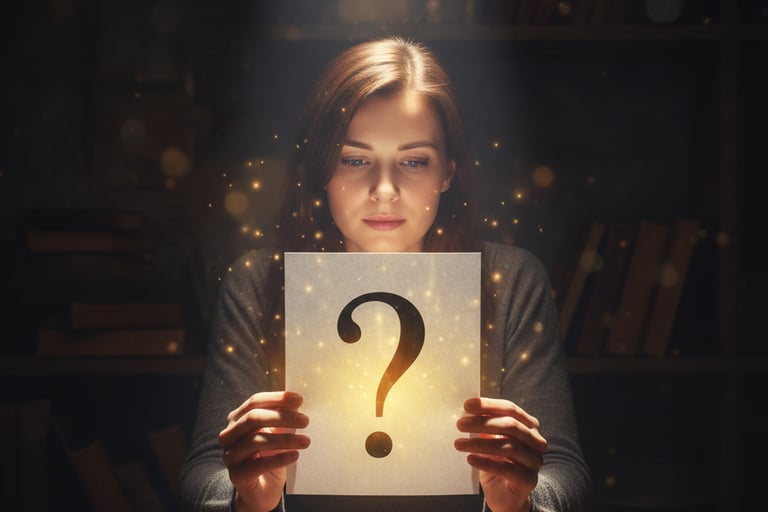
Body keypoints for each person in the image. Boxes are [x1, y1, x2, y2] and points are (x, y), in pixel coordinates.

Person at [178, 36, 591, 512]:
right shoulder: (259, 280)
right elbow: (204, 472)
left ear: (448, 173)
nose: (384, 190)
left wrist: (522, 499)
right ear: (322, 171)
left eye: (413, 162)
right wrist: (246, 495)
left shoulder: (509, 278)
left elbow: (564, 470)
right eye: (355, 160)